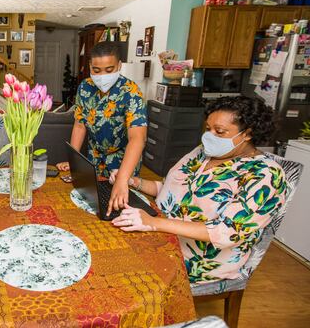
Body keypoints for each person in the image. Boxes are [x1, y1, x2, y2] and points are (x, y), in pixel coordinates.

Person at [111, 96, 288, 283]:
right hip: (162, 233)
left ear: (247, 134)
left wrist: (153, 224)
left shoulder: (265, 175)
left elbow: (226, 231)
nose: (210, 136)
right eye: (208, 129)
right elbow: (171, 190)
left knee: (119, 267)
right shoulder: (202, 153)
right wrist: (133, 182)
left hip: (199, 260)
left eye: (220, 132)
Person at [56, 41, 147, 213]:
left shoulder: (131, 92)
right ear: (90, 66)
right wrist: (73, 160)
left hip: (122, 162)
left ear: (119, 65)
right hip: (94, 158)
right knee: (89, 206)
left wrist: (122, 178)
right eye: (96, 71)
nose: (102, 75)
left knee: (120, 208)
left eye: (109, 70)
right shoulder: (85, 88)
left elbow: (138, 138)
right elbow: (80, 125)